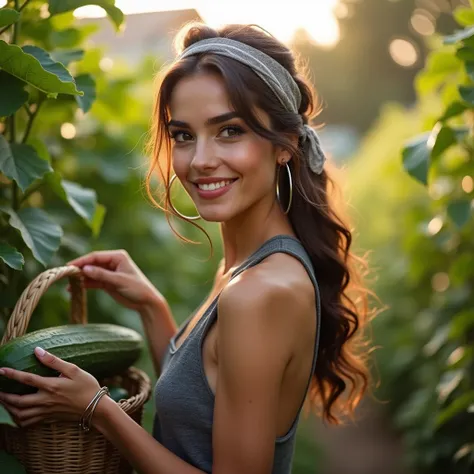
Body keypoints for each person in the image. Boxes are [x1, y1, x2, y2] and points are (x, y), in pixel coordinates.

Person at [0, 22, 372, 474]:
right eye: (183, 135)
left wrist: (98, 410)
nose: (200, 160)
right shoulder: (247, 268)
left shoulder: (258, 293)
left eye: (230, 131)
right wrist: (152, 307)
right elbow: (200, 408)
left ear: (285, 146)